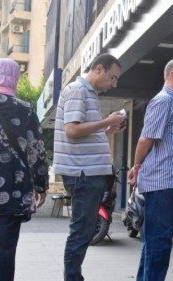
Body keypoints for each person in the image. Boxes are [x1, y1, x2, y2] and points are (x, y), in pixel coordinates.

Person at [53, 53, 127, 281]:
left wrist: (107, 130)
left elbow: (81, 131)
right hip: (83, 173)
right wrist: (107, 121)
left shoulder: (88, 93)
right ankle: (73, 278)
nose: (114, 83)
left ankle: (74, 277)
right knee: (81, 231)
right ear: (98, 69)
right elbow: (72, 131)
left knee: (84, 230)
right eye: (112, 77)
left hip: (86, 171)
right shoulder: (78, 90)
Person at [0, 58, 48, 281]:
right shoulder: (25, 110)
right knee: (5, 249)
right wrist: (41, 185)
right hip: (14, 190)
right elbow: (36, 149)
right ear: (14, 78)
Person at [127, 58, 173, 281]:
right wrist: (137, 167)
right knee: (159, 243)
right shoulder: (164, 101)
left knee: (154, 243)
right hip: (162, 183)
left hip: (169, 183)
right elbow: (145, 139)